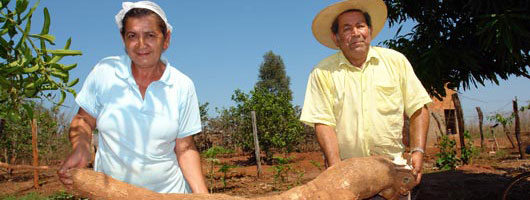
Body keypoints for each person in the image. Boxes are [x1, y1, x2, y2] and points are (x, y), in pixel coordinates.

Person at [58, 1, 208, 194]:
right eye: (132, 36)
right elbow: (84, 119)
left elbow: (185, 149)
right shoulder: (105, 72)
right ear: (123, 40)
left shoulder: (182, 85)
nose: (141, 45)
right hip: (110, 194)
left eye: (150, 35)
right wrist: (81, 147)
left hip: (170, 195)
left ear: (166, 39)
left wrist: (203, 197)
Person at [300, 0, 431, 198]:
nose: (355, 33)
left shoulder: (396, 62)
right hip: (348, 176)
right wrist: (336, 171)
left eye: (360, 25)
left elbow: (418, 108)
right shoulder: (322, 72)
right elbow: (323, 122)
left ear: (369, 30)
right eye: (347, 28)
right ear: (336, 38)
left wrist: (418, 151)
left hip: (394, 170)